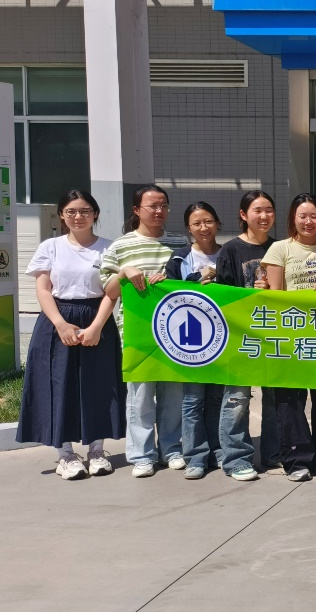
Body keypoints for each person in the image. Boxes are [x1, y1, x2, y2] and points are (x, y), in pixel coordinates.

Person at [16, 190, 124, 480]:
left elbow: (111, 292)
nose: (79, 216)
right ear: (62, 215)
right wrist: (61, 324)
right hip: (56, 319)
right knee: (58, 384)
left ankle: (97, 450)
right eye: (71, 211)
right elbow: (43, 289)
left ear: (95, 214)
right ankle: (65, 454)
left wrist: (97, 326)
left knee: (99, 384)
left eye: (85, 211)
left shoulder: (109, 248)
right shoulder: (50, 247)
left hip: (97, 318)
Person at [262, 193, 316, 482]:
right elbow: (275, 296)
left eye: (314, 216)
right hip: (291, 335)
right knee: (290, 400)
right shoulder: (279, 249)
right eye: (303, 216)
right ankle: (296, 458)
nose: (309, 222)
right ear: (293, 219)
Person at [100, 184, 181, 479]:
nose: (159, 211)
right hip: (136, 333)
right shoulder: (120, 246)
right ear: (136, 210)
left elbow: (189, 281)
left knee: (173, 395)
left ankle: (171, 449)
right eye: (152, 206)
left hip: (175, 333)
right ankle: (142, 455)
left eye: (163, 206)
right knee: (140, 397)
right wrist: (124, 273)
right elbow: (108, 290)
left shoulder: (179, 243)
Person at [213, 190, 281, 481]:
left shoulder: (279, 248)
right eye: (257, 210)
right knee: (237, 399)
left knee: (275, 398)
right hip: (240, 336)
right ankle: (236, 459)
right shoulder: (231, 250)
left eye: (269, 210)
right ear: (243, 215)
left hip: (274, 335)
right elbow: (222, 297)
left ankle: (274, 454)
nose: (264, 216)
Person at [164, 202, 226, 479]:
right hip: (190, 342)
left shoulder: (228, 254)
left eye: (209, 221)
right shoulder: (179, 258)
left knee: (217, 399)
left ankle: (219, 451)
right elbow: (171, 293)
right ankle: (195, 456)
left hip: (224, 338)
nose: (204, 228)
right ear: (188, 228)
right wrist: (197, 277)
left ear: (218, 224)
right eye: (197, 223)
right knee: (192, 400)